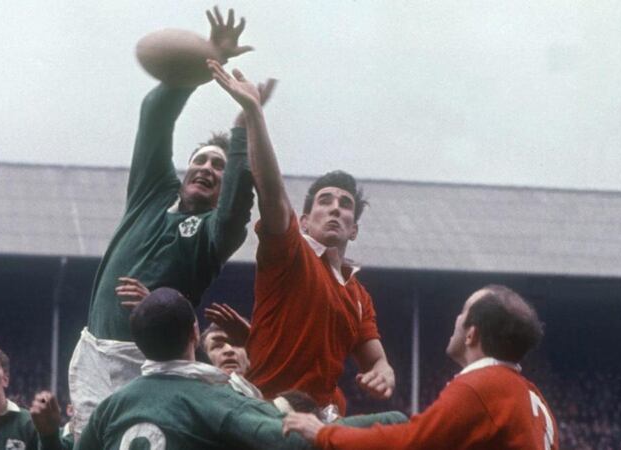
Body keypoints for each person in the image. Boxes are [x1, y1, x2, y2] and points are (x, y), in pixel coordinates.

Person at [68, 7, 276, 434]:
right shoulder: (151, 194)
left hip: (147, 366)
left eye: (219, 168)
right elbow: (154, 116)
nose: (207, 168)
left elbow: (238, 202)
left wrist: (242, 127)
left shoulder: (215, 233)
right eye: (200, 160)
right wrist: (204, 63)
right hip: (91, 351)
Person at [207, 61, 395, 413]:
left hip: (319, 422)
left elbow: (376, 361)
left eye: (345, 204)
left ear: (354, 228)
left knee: (393, 422)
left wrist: (384, 372)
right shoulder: (291, 252)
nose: (336, 208)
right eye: (325, 201)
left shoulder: (358, 296)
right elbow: (272, 191)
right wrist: (253, 112)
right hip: (265, 413)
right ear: (305, 222)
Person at [77, 288, 399, 450]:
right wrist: (393, 422)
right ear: (194, 333)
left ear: (140, 344)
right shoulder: (214, 400)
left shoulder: (110, 408)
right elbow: (291, 440)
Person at [283, 285, 560, 450]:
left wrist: (322, 433)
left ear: (471, 334)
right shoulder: (534, 398)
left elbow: (409, 442)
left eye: (463, 311)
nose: (456, 317)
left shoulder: (482, 386)